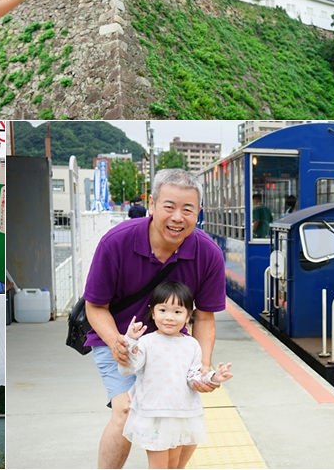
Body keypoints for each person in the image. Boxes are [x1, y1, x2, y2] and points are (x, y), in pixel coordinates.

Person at [84, 168, 226, 469]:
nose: (178, 217)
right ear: (152, 204)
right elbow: (95, 307)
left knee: (184, 415)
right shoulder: (117, 243)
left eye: (188, 209)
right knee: (125, 409)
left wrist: (203, 366)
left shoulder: (208, 254)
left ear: (198, 212)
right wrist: (116, 342)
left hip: (174, 343)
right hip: (121, 338)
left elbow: (204, 318)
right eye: (169, 207)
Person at [119, 282, 233, 469]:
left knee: (174, 466)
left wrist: (213, 377)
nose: (169, 317)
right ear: (153, 312)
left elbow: (193, 377)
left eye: (177, 312)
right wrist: (130, 340)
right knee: (159, 466)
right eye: (163, 310)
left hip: (182, 414)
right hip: (155, 415)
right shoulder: (146, 342)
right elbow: (128, 368)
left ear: (188, 315)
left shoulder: (192, 345)